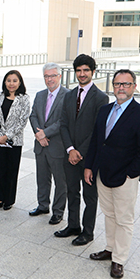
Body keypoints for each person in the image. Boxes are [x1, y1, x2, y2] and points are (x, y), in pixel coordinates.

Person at [85, 69, 140, 279]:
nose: (121, 88)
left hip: (125, 178)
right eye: (117, 84)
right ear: (113, 86)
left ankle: (119, 260)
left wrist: (130, 174)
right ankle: (110, 249)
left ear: (134, 86)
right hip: (103, 173)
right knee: (109, 214)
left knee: (124, 219)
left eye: (126, 84)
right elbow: (97, 142)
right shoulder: (105, 110)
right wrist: (89, 166)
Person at [55, 54, 109, 246]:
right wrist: (70, 149)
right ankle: (73, 225)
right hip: (69, 155)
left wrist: (80, 152)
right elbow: (63, 124)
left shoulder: (101, 98)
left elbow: (97, 130)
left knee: (90, 195)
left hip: (89, 157)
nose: (82, 74)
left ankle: (88, 232)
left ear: (93, 72)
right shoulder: (69, 95)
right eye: (78, 70)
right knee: (72, 191)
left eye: (86, 70)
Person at [28, 63, 69, 225]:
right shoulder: (39, 95)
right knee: (42, 178)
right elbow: (33, 117)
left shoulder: (68, 95)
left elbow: (64, 120)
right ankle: (43, 205)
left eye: (52, 76)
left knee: (61, 181)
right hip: (41, 145)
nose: (49, 79)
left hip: (57, 146)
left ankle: (58, 211)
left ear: (59, 76)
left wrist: (46, 133)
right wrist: (39, 135)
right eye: (46, 76)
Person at [0, 70, 31, 210]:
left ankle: (9, 199)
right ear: (4, 82)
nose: (11, 83)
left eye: (14, 80)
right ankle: (0, 197)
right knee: (0, 169)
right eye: (8, 80)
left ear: (19, 82)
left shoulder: (24, 99)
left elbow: (22, 121)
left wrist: (7, 136)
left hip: (15, 141)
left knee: (12, 170)